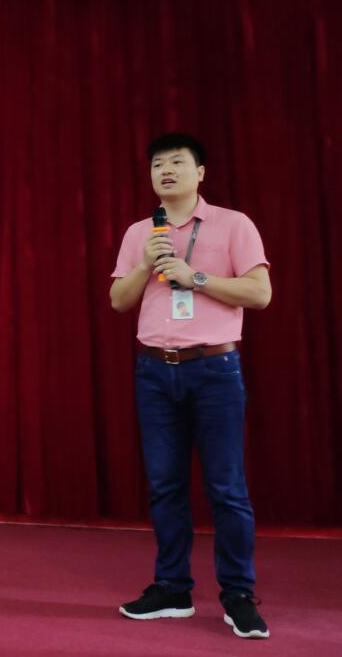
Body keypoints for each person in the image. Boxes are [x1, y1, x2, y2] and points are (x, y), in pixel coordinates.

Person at [109, 133, 272, 639]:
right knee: (165, 485)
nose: (166, 170)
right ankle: (172, 589)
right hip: (155, 371)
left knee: (226, 487)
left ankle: (238, 595)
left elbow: (259, 293)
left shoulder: (233, 224)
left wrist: (194, 277)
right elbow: (119, 300)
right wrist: (145, 264)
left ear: (200, 173)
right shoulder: (140, 232)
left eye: (178, 162)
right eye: (158, 164)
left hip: (214, 369)